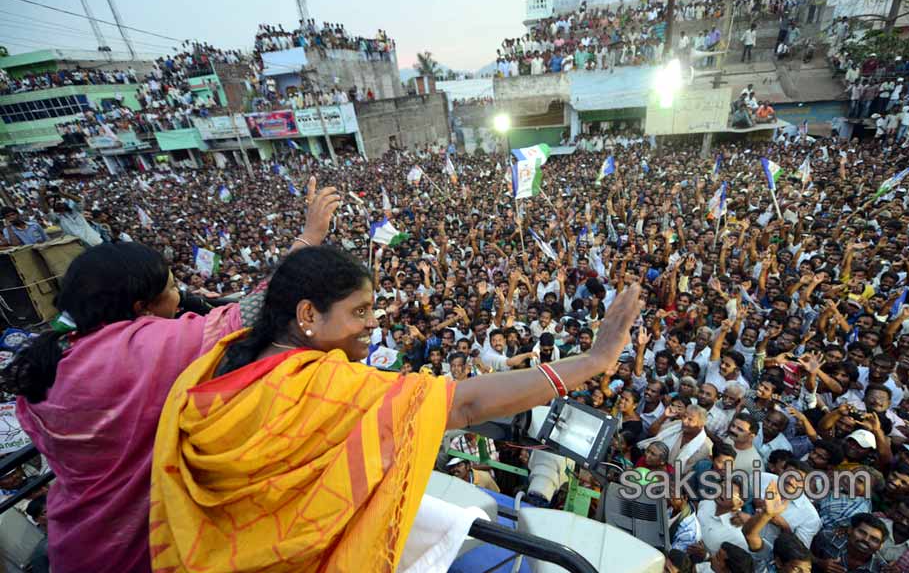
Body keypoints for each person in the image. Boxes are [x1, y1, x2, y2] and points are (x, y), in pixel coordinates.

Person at [148, 244, 644, 570]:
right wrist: (594, 360)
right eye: (359, 312)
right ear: (307, 315)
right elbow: (466, 405)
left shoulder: (211, 366)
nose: (372, 323)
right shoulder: (326, 384)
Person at [5, 180, 340, 573]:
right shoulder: (138, 350)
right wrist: (310, 237)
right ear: (141, 307)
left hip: (76, 543)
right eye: (170, 287)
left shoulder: (53, 356)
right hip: (140, 548)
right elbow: (251, 312)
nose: (180, 297)